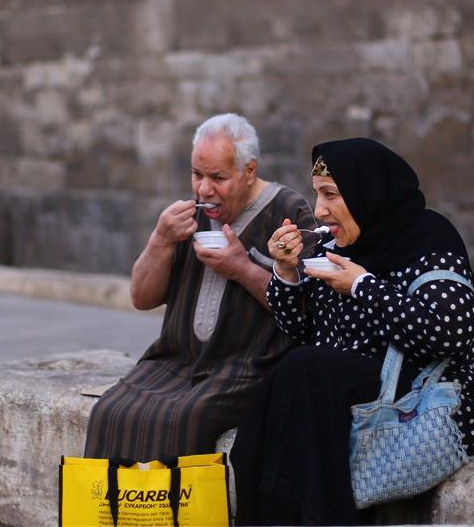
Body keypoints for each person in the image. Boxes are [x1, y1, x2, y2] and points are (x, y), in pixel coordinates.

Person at [230, 138, 474, 525]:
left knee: (306, 371)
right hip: (336, 387)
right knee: (283, 386)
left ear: (367, 193)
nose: (319, 211)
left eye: (331, 195)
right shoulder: (336, 244)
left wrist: (362, 285)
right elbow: (302, 331)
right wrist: (286, 272)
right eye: (317, 194)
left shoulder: (429, 240)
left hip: (419, 392)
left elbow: (449, 335)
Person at [84, 114, 313, 462]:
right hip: (175, 361)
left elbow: (308, 309)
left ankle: (177, 514)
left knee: (189, 418)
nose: (204, 189)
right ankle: (115, 513)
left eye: (218, 178)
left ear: (249, 171)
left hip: (248, 367)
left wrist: (242, 269)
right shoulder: (187, 217)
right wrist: (160, 239)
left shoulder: (288, 210)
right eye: (197, 175)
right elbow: (141, 297)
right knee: (110, 410)